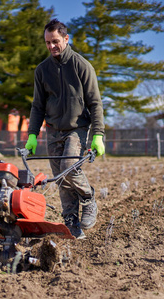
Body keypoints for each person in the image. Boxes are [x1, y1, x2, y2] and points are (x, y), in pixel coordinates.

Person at [25, 19, 105, 239]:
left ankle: (88, 198)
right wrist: (32, 134)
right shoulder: (42, 70)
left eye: (56, 41)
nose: (51, 46)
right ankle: (71, 222)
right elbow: (38, 106)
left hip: (76, 128)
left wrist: (98, 134)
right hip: (53, 130)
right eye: (48, 42)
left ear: (66, 39)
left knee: (68, 167)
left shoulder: (81, 66)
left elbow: (95, 103)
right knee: (60, 178)